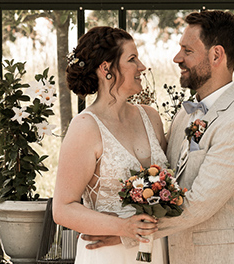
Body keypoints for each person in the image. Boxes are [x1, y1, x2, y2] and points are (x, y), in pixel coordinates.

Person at [84, 11, 234, 264]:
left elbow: (198, 203)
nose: (177, 58)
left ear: (216, 55)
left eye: (187, 51)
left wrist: (128, 233)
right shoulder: (185, 113)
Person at [52, 26, 168, 264]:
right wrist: (123, 228)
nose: (142, 67)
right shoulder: (85, 127)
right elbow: (62, 208)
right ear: (107, 68)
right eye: (132, 59)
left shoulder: (151, 118)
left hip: (156, 250)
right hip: (107, 255)